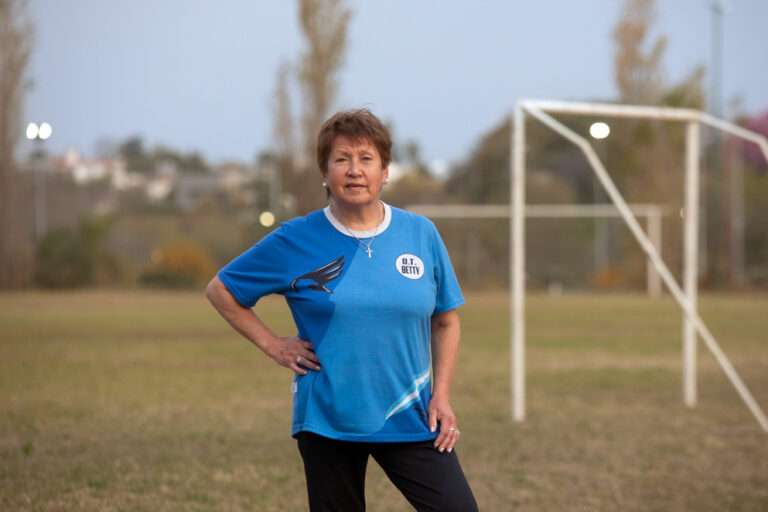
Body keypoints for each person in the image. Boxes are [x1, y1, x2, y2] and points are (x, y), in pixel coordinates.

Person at [206, 109, 478, 512]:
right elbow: (222, 290)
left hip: (411, 413)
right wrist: (274, 345)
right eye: (341, 159)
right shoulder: (295, 240)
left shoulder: (420, 234)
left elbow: (446, 320)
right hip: (328, 419)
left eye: (366, 159)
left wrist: (441, 394)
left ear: (385, 171)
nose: (354, 170)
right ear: (325, 172)